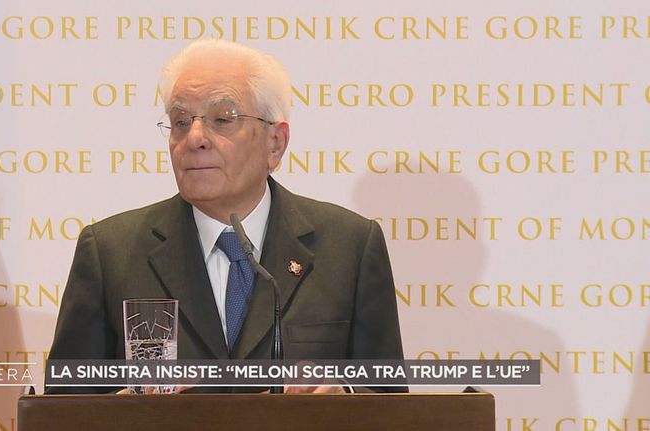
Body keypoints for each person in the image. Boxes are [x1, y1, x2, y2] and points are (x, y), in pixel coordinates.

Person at [46, 39, 405, 394]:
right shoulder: (110, 252)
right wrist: (117, 415)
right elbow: (61, 410)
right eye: (180, 122)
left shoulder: (349, 247)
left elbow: (391, 406)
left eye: (222, 119)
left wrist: (346, 397)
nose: (195, 138)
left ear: (275, 142)